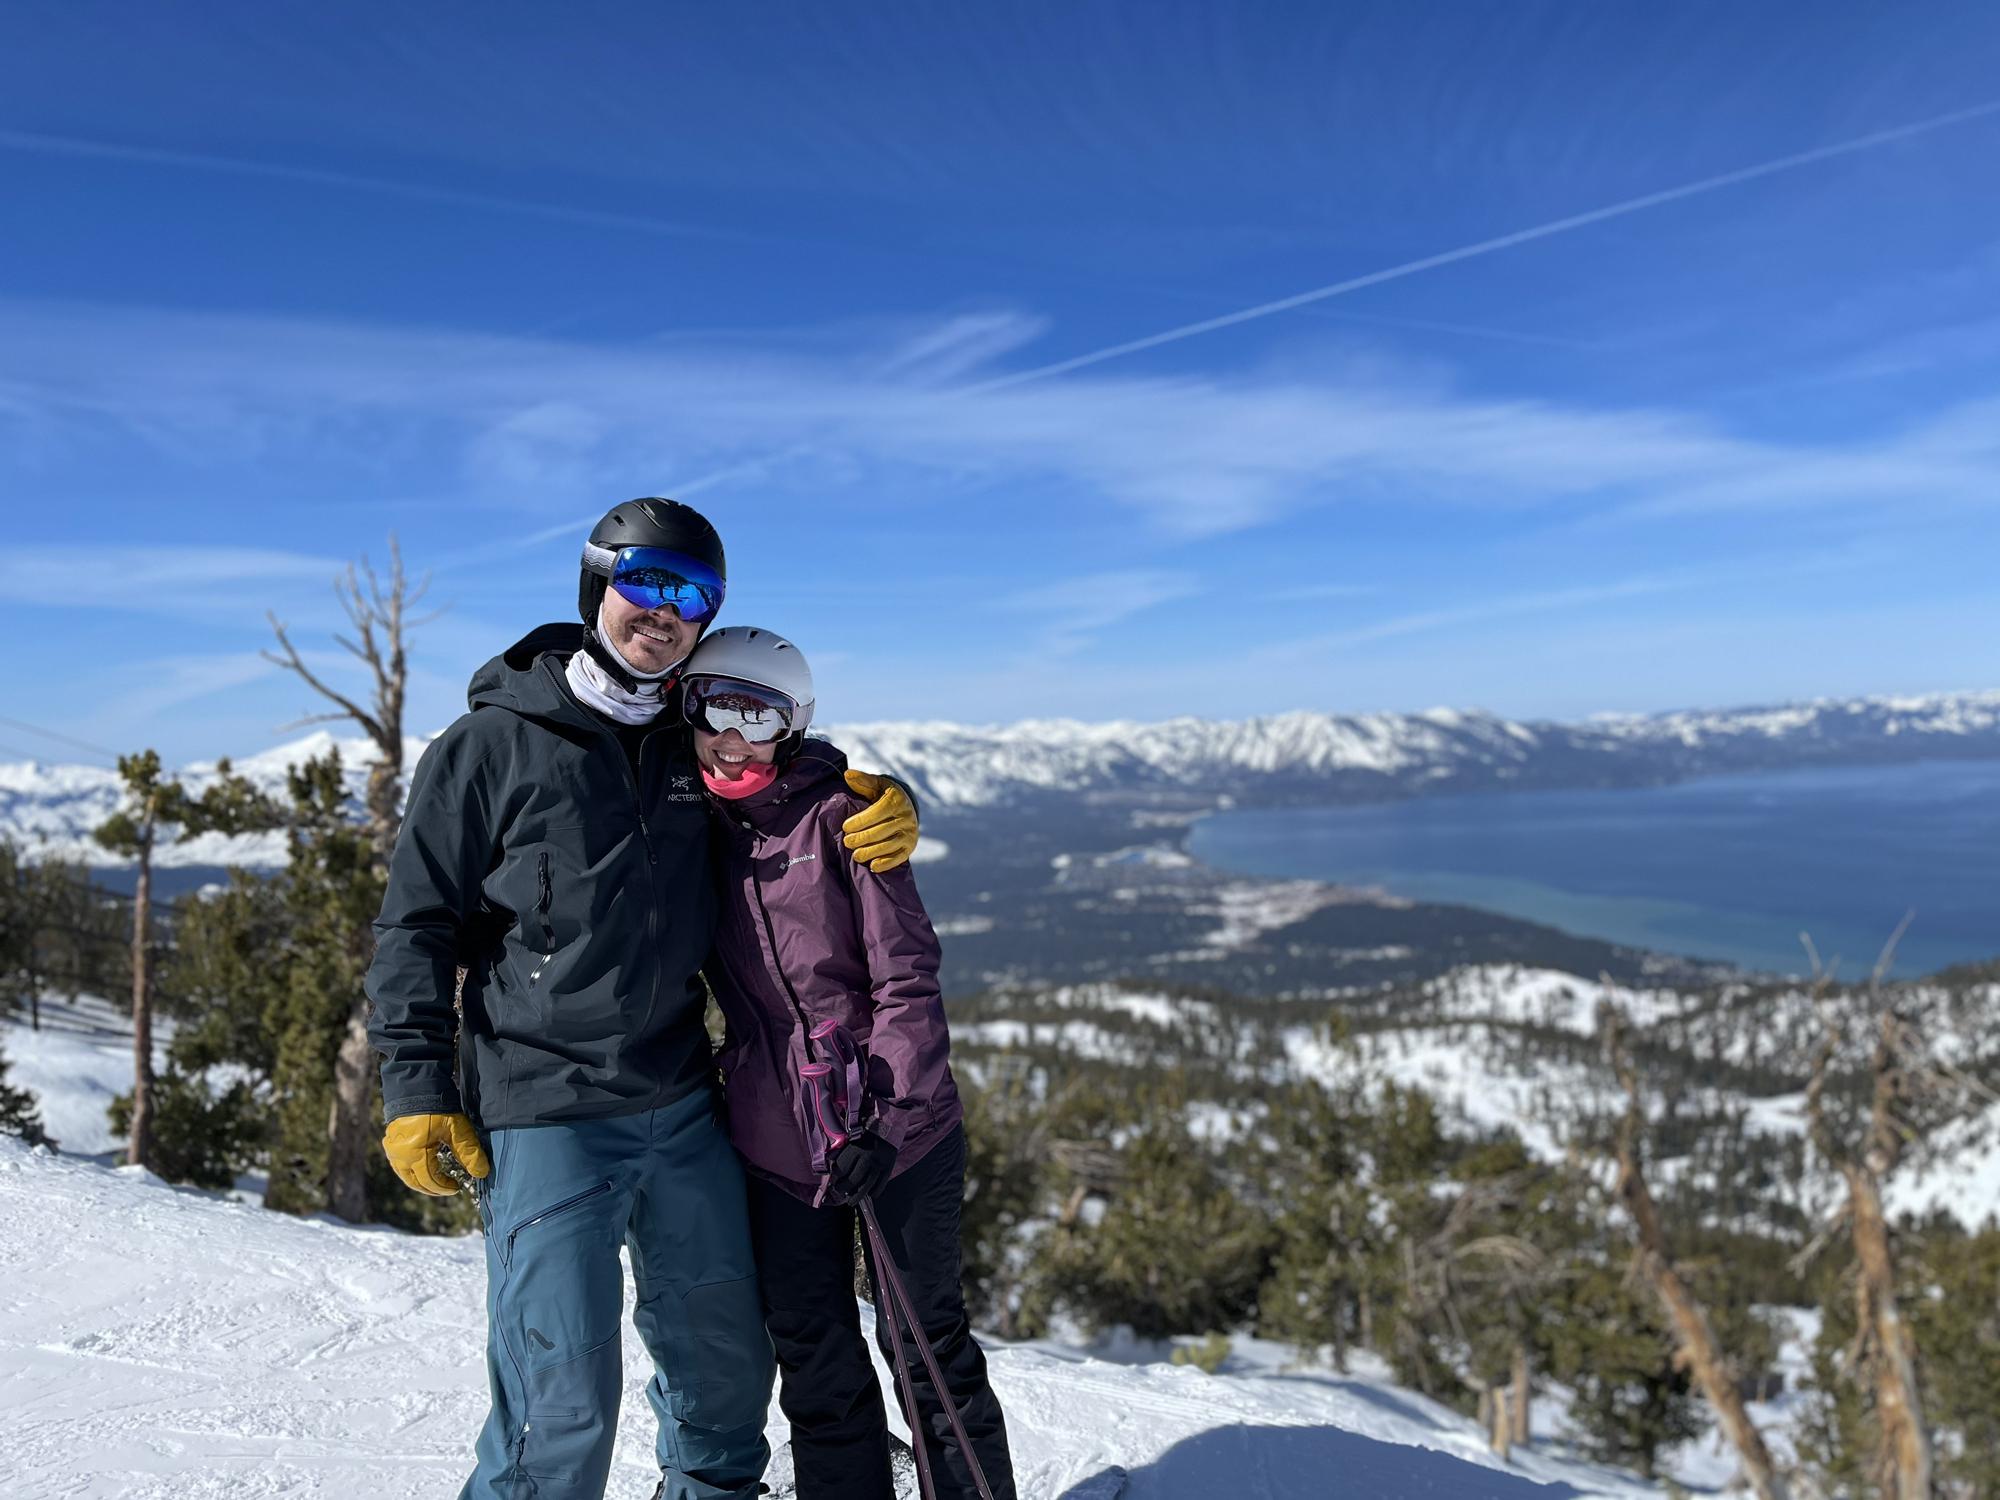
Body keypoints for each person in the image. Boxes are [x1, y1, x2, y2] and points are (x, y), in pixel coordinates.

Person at [364, 498, 923, 1500]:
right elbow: (415, 928)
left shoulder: (686, 736)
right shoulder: (489, 746)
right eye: (644, 582)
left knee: (724, 1384)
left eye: (692, 595)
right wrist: (414, 1089)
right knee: (560, 1401)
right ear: (596, 587)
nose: (664, 611)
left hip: (678, 1102)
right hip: (544, 1110)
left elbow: (772, 769)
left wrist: (862, 791)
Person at [686, 625, 1017, 1500]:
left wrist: (889, 1117)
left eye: (753, 715)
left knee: (924, 1349)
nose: (730, 734)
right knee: (815, 1355)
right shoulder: (693, 829)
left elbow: (906, 978)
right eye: (711, 707)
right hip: (775, 1146)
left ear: (790, 725)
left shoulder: (844, 817)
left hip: (895, 1134)